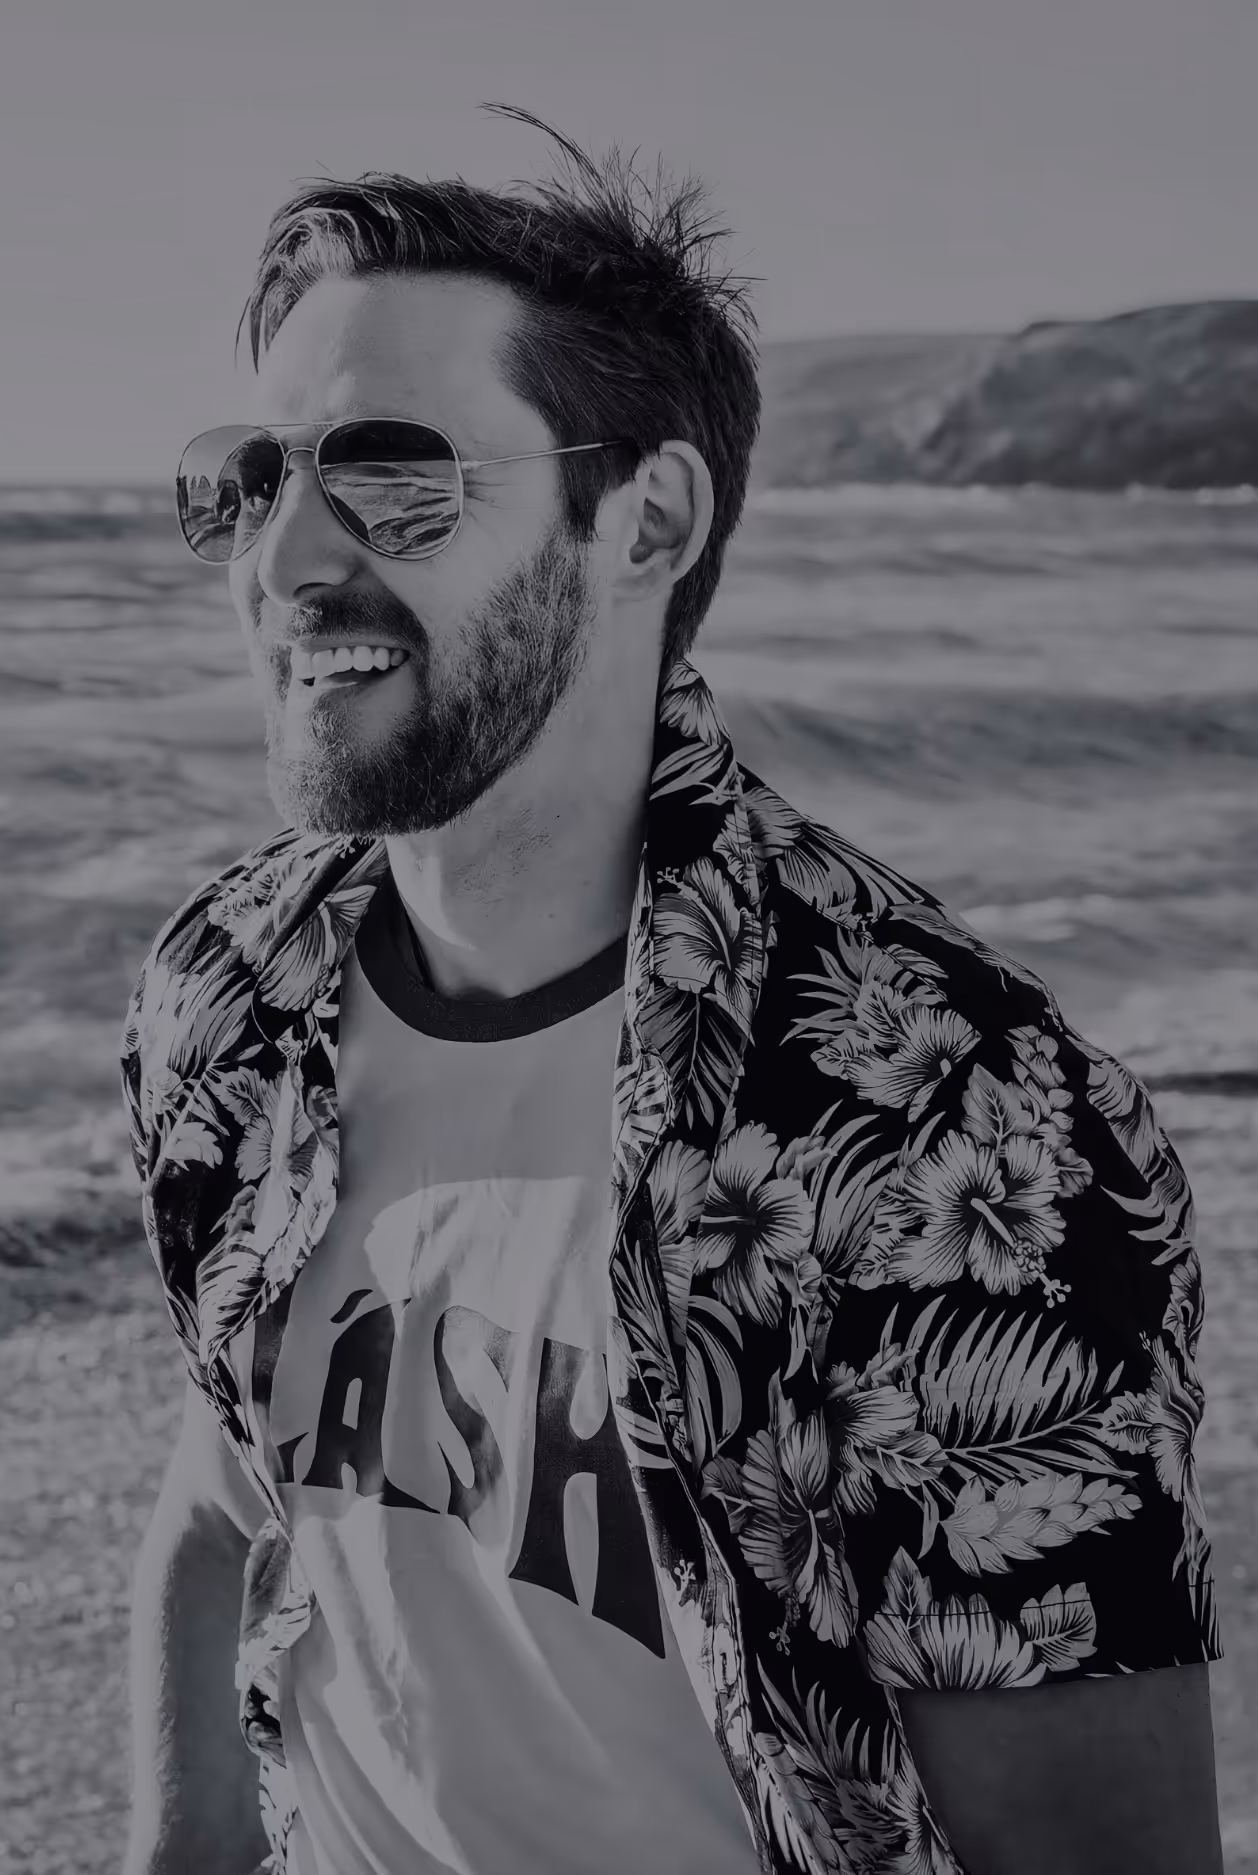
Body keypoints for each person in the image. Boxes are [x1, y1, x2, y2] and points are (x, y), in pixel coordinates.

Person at [120, 104, 1226, 1875]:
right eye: (251, 480)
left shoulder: (946, 1124)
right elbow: (216, 1508)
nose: (285, 560)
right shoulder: (233, 991)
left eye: (393, 475)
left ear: (644, 522)